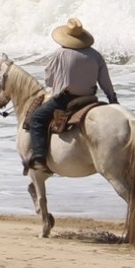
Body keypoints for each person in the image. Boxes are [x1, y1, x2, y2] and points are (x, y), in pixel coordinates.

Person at [24, 18, 118, 170]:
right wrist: (112, 99)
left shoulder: (60, 53)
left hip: (66, 100)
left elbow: (48, 79)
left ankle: (39, 157)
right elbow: (105, 81)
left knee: (37, 119)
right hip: (89, 100)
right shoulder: (95, 55)